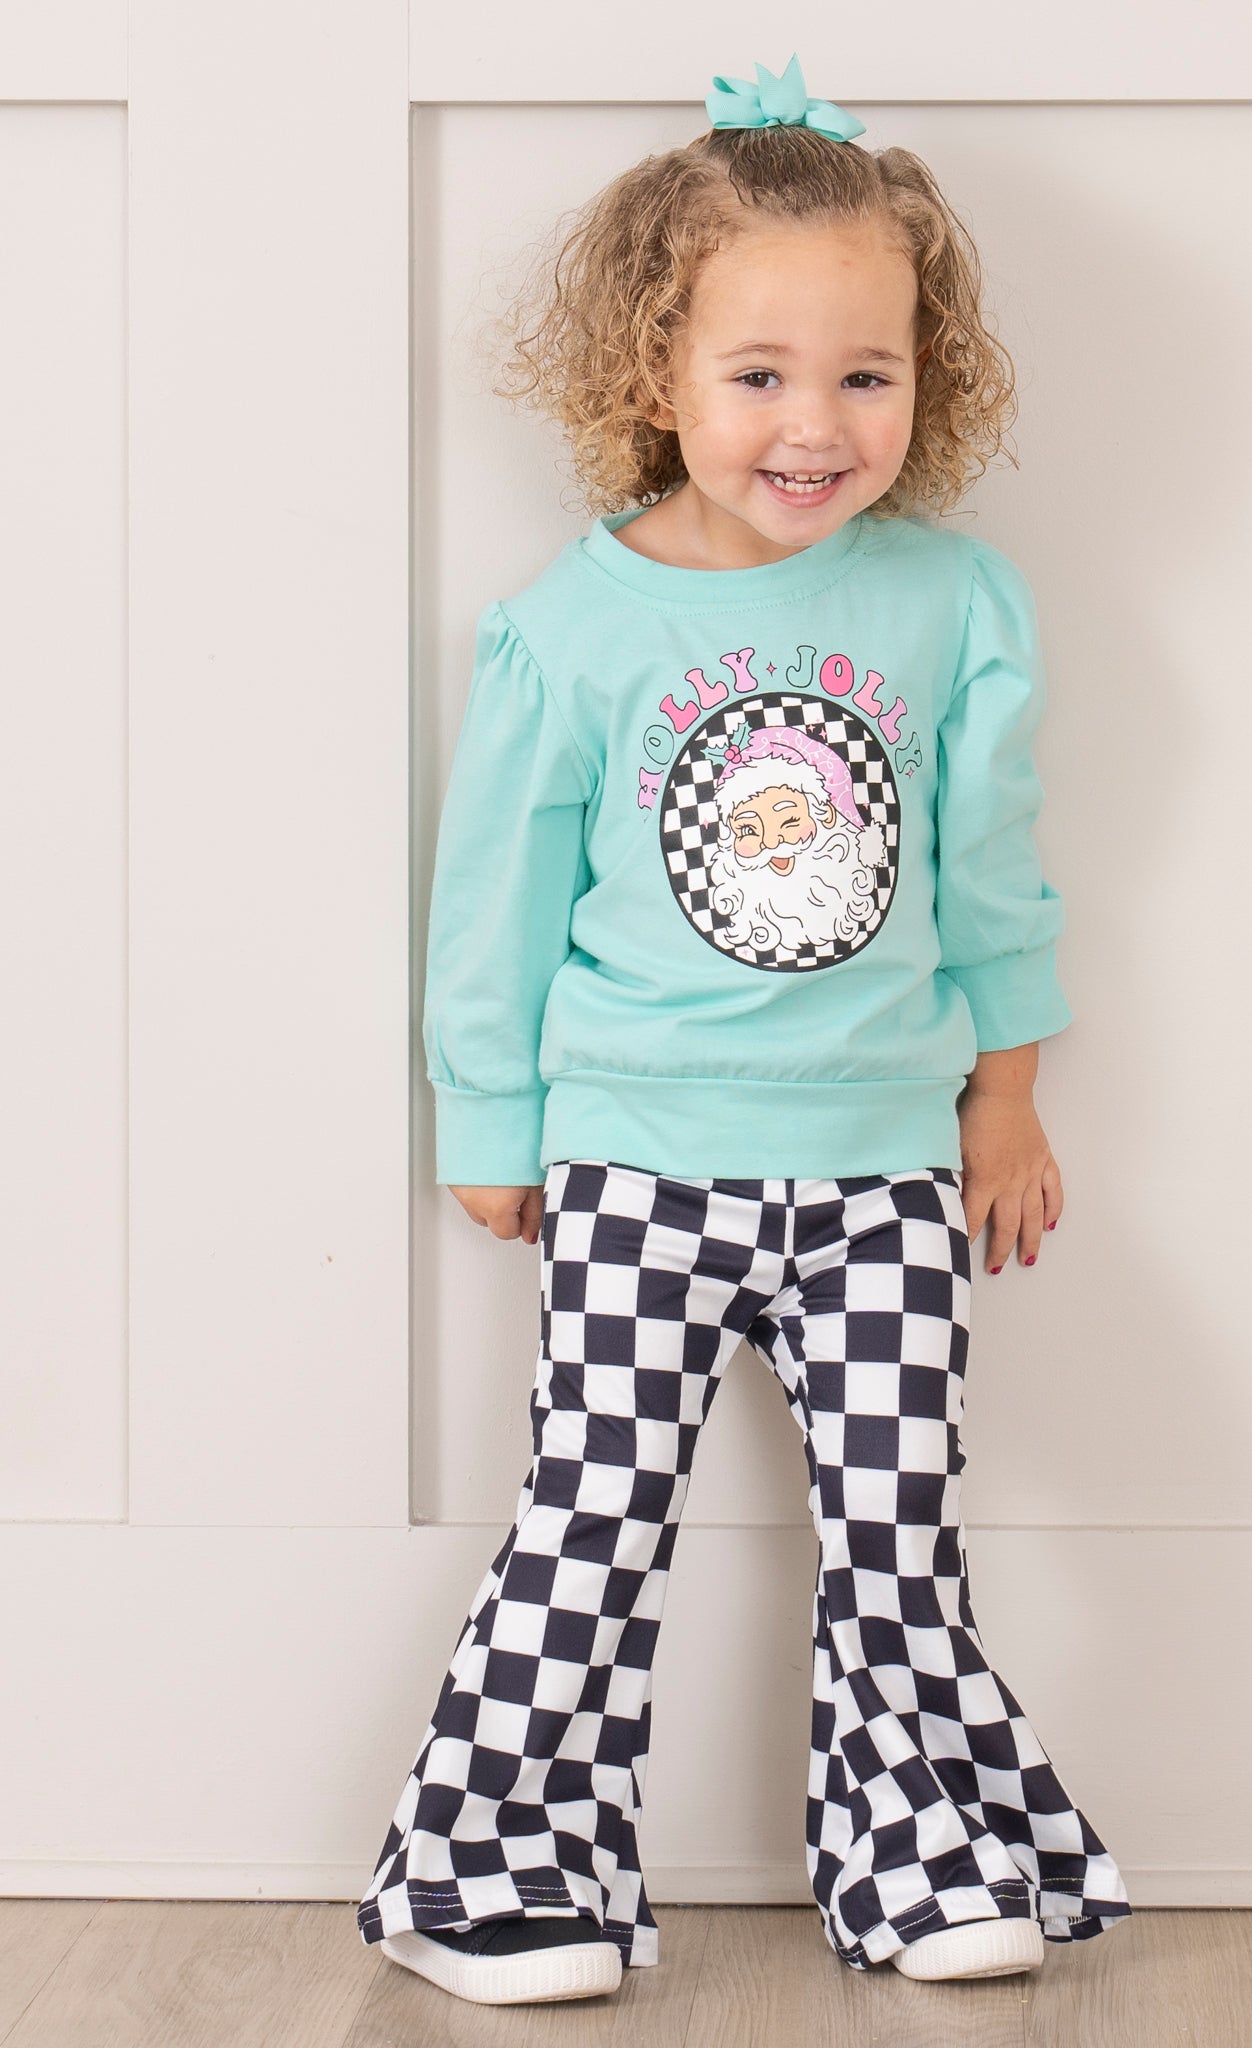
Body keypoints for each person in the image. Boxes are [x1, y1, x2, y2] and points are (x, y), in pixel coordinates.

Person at [355, 53, 1133, 2009]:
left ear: (927, 379)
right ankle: (496, 1869)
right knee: (591, 1524)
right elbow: (491, 900)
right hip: (637, 1159)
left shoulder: (956, 606)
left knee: (902, 1532)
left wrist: (1010, 1096)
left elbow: (993, 878)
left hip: (882, 1168)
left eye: (866, 375)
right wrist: (489, 1117)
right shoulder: (572, 629)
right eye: (761, 373)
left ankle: (920, 1853)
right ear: (655, 371)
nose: (815, 424)